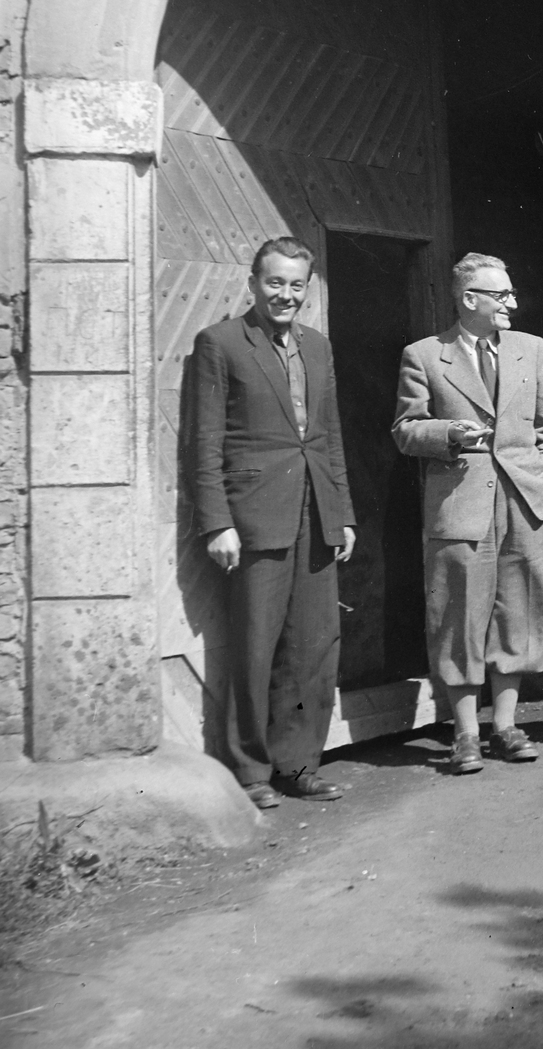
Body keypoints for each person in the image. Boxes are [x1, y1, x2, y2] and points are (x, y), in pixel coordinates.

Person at [189, 237, 357, 810]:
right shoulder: (220, 343)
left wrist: (344, 515)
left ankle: (300, 764)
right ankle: (251, 770)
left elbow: (328, 437)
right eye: (275, 283)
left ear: (307, 290)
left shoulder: (318, 346)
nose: (286, 294)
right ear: (253, 283)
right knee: (256, 647)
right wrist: (217, 523)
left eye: (296, 285)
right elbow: (203, 444)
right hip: (255, 516)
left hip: (316, 512)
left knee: (313, 647)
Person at [393, 253, 543, 774]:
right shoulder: (425, 355)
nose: (513, 302)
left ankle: (506, 727)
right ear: (470, 300)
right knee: (459, 615)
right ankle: (466, 734)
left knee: (521, 609)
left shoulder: (530, 350)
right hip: (461, 504)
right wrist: (447, 434)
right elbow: (405, 429)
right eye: (502, 295)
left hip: (524, 501)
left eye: (511, 294)